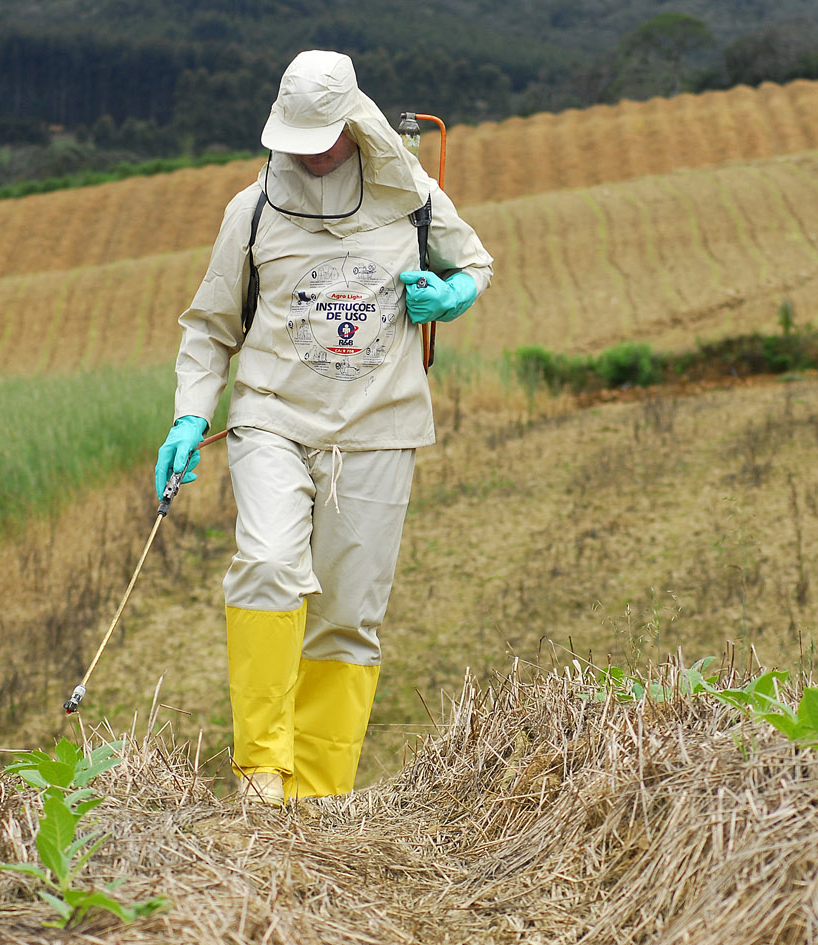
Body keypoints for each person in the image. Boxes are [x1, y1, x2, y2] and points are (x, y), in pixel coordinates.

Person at [155, 50, 493, 804]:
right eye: (294, 140)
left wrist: (454, 293)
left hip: (379, 430)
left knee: (347, 618)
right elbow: (210, 328)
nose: (306, 155)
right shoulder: (253, 210)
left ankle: (317, 799)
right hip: (273, 419)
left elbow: (476, 263)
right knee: (270, 565)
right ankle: (262, 774)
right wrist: (188, 416)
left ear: (352, 124)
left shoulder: (413, 198)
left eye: (320, 139)